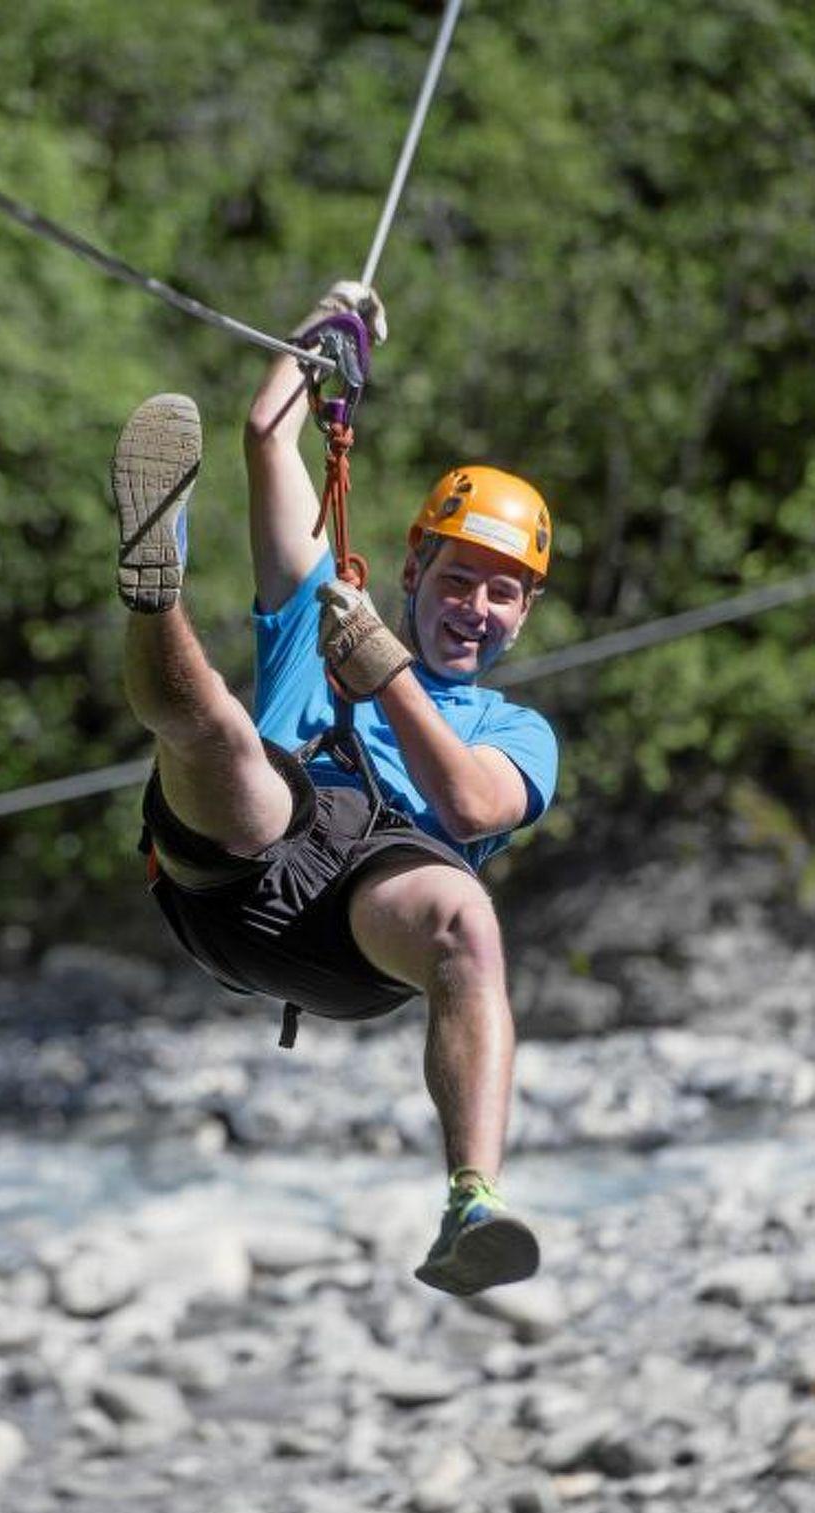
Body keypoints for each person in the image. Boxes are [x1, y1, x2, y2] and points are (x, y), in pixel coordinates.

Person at [114, 282, 558, 1297]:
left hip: (360, 927)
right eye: (456, 581)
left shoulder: (515, 731)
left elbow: (474, 808)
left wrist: (386, 672)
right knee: (228, 738)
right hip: (238, 860)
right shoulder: (319, 609)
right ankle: (152, 592)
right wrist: (319, 337)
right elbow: (268, 440)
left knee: (464, 915)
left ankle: (471, 1200)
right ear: (415, 566)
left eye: (502, 593)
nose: (475, 609)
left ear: (526, 610)